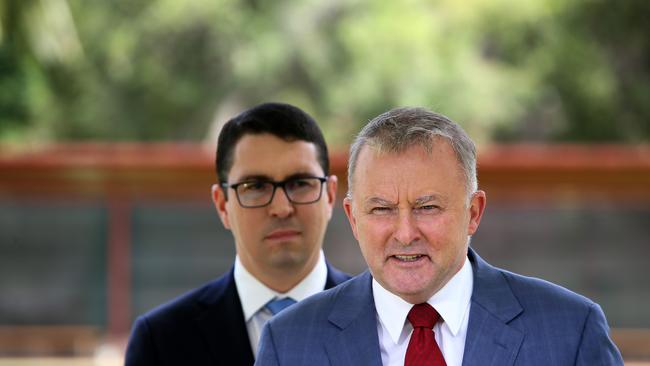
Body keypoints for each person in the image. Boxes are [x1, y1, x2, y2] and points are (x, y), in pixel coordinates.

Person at [255, 107, 623, 365]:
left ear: (473, 213)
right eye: (381, 209)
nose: (404, 233)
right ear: (353, 218)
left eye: (427, 207)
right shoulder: (289, 344)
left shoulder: (569, 332)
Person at [125, 102, 350, 366]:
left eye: (300, 183)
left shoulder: (385, 320)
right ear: (222, 204)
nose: (281, 208)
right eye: (255, 186)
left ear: (330, 195)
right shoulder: (161, 341)